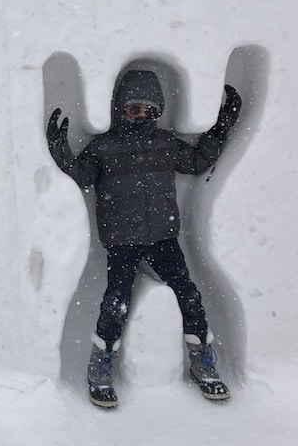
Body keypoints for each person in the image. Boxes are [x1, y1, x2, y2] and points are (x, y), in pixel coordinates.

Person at [46, 70, 241, 408]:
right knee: (116, 302)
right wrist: (59, 150)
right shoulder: (104, 147)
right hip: (122, 242)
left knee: (190, 295)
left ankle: (202, 361)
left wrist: (222, 126)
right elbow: (82, 176)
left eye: (148, 110)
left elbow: (197, 162)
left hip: (164, 239)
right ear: (121, 108)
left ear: (158, 112)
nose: (140, 115)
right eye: (134, 108)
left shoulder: (165, 143)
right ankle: (100, 366)